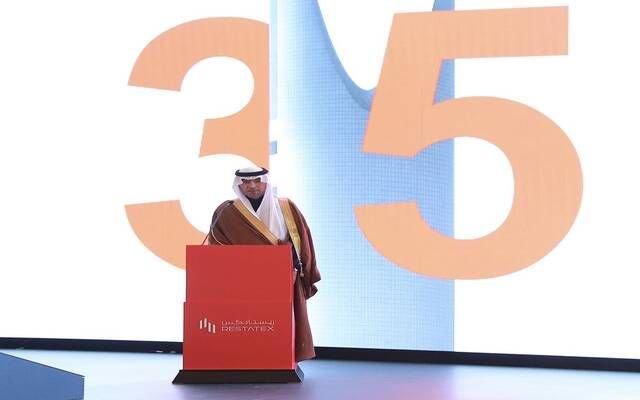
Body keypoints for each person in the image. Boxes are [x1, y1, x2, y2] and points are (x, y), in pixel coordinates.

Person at [205, 166, 320, 362]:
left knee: (280, 325)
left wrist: (296, 269)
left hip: (284, 279)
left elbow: (301, 243)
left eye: (257, 180)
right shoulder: (226, 212)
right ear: (238, 185)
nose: (252, 186)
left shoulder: (286, 207)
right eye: (246, 182)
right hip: (242, 283)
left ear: (266, 181)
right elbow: (217, 247)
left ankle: (280, 361)